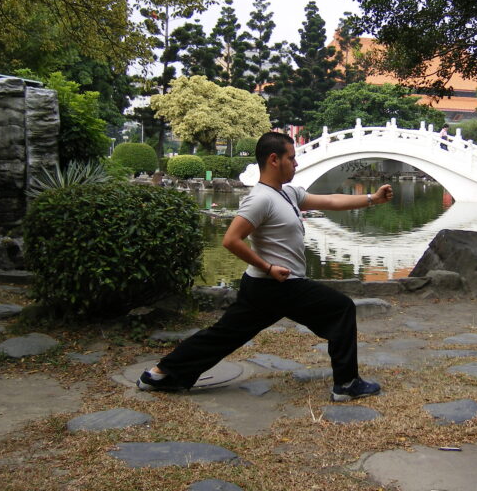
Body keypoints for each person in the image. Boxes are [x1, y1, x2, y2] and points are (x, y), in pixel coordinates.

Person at [137, 131, 394, 402]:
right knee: (340, 308)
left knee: (224, 335)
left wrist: (371, 199)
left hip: (263, 286)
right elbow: (231, 240)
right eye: (291, 158)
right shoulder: (260, 198)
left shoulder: (288, 194)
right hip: (278, 284)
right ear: (274, 159)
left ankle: (159, 374)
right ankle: (346, 384)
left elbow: (329, 200)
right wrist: (268, 267)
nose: (296, 164)